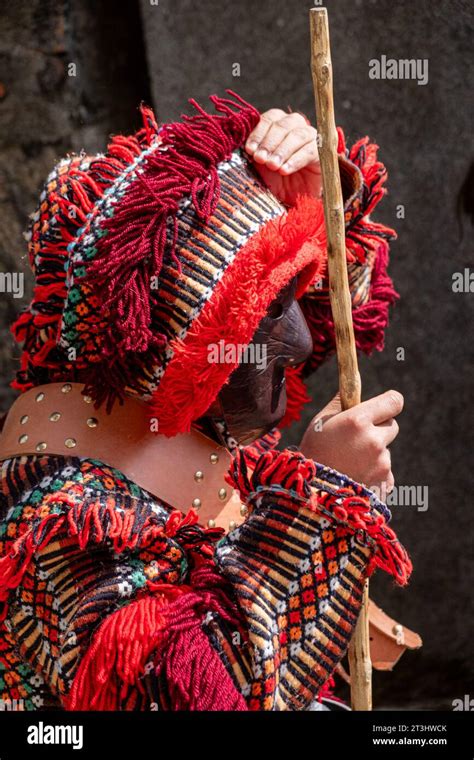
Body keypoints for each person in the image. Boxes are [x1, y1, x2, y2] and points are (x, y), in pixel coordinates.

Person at [0, 91, 410, 711]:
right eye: (266, 310)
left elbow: (349, 299)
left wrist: (316, 180)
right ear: (176, 352)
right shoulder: (59, 521)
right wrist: (322, 502)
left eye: (291, 292)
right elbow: (200, 695)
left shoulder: (197, 416)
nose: (300, 341)